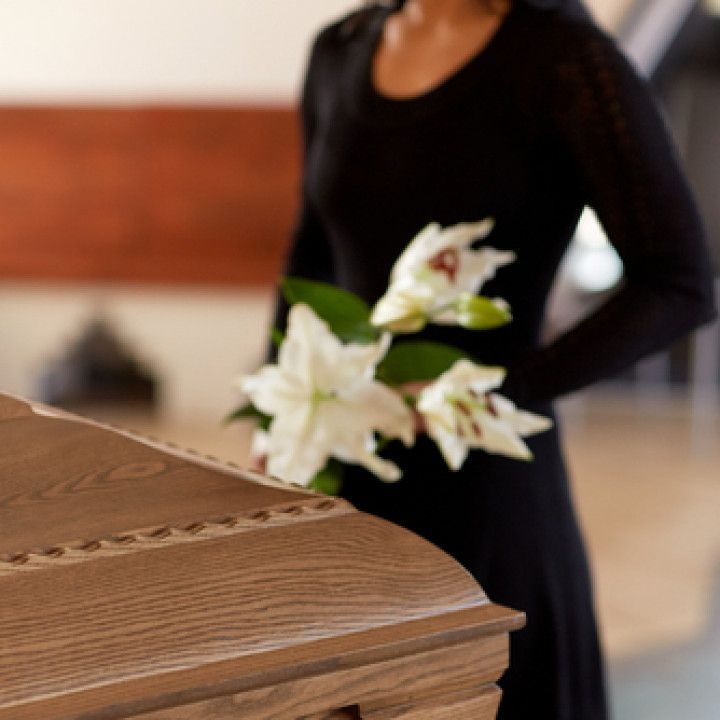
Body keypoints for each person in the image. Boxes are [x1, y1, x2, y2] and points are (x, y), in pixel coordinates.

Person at [268, 0, 718, 717]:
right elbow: (313, 258)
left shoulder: (566, 60)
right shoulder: (341, 48)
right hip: (344, 478)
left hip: (487, 489)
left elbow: (680, 283)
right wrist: (277, 420)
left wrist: (498, 391)